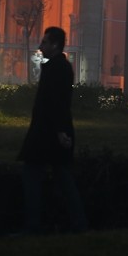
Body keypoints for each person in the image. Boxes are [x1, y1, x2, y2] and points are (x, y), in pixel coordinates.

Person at [17, 26, 87, 234]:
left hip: (47, 133)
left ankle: (34, 225)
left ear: (54, 45)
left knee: (34, 176)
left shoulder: (57, 69)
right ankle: (77, 223)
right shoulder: (59, 67)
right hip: (51, 132)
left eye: (44, 42)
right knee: (62, 178)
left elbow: (56, 102)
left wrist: (60, 131)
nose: (40, 46)